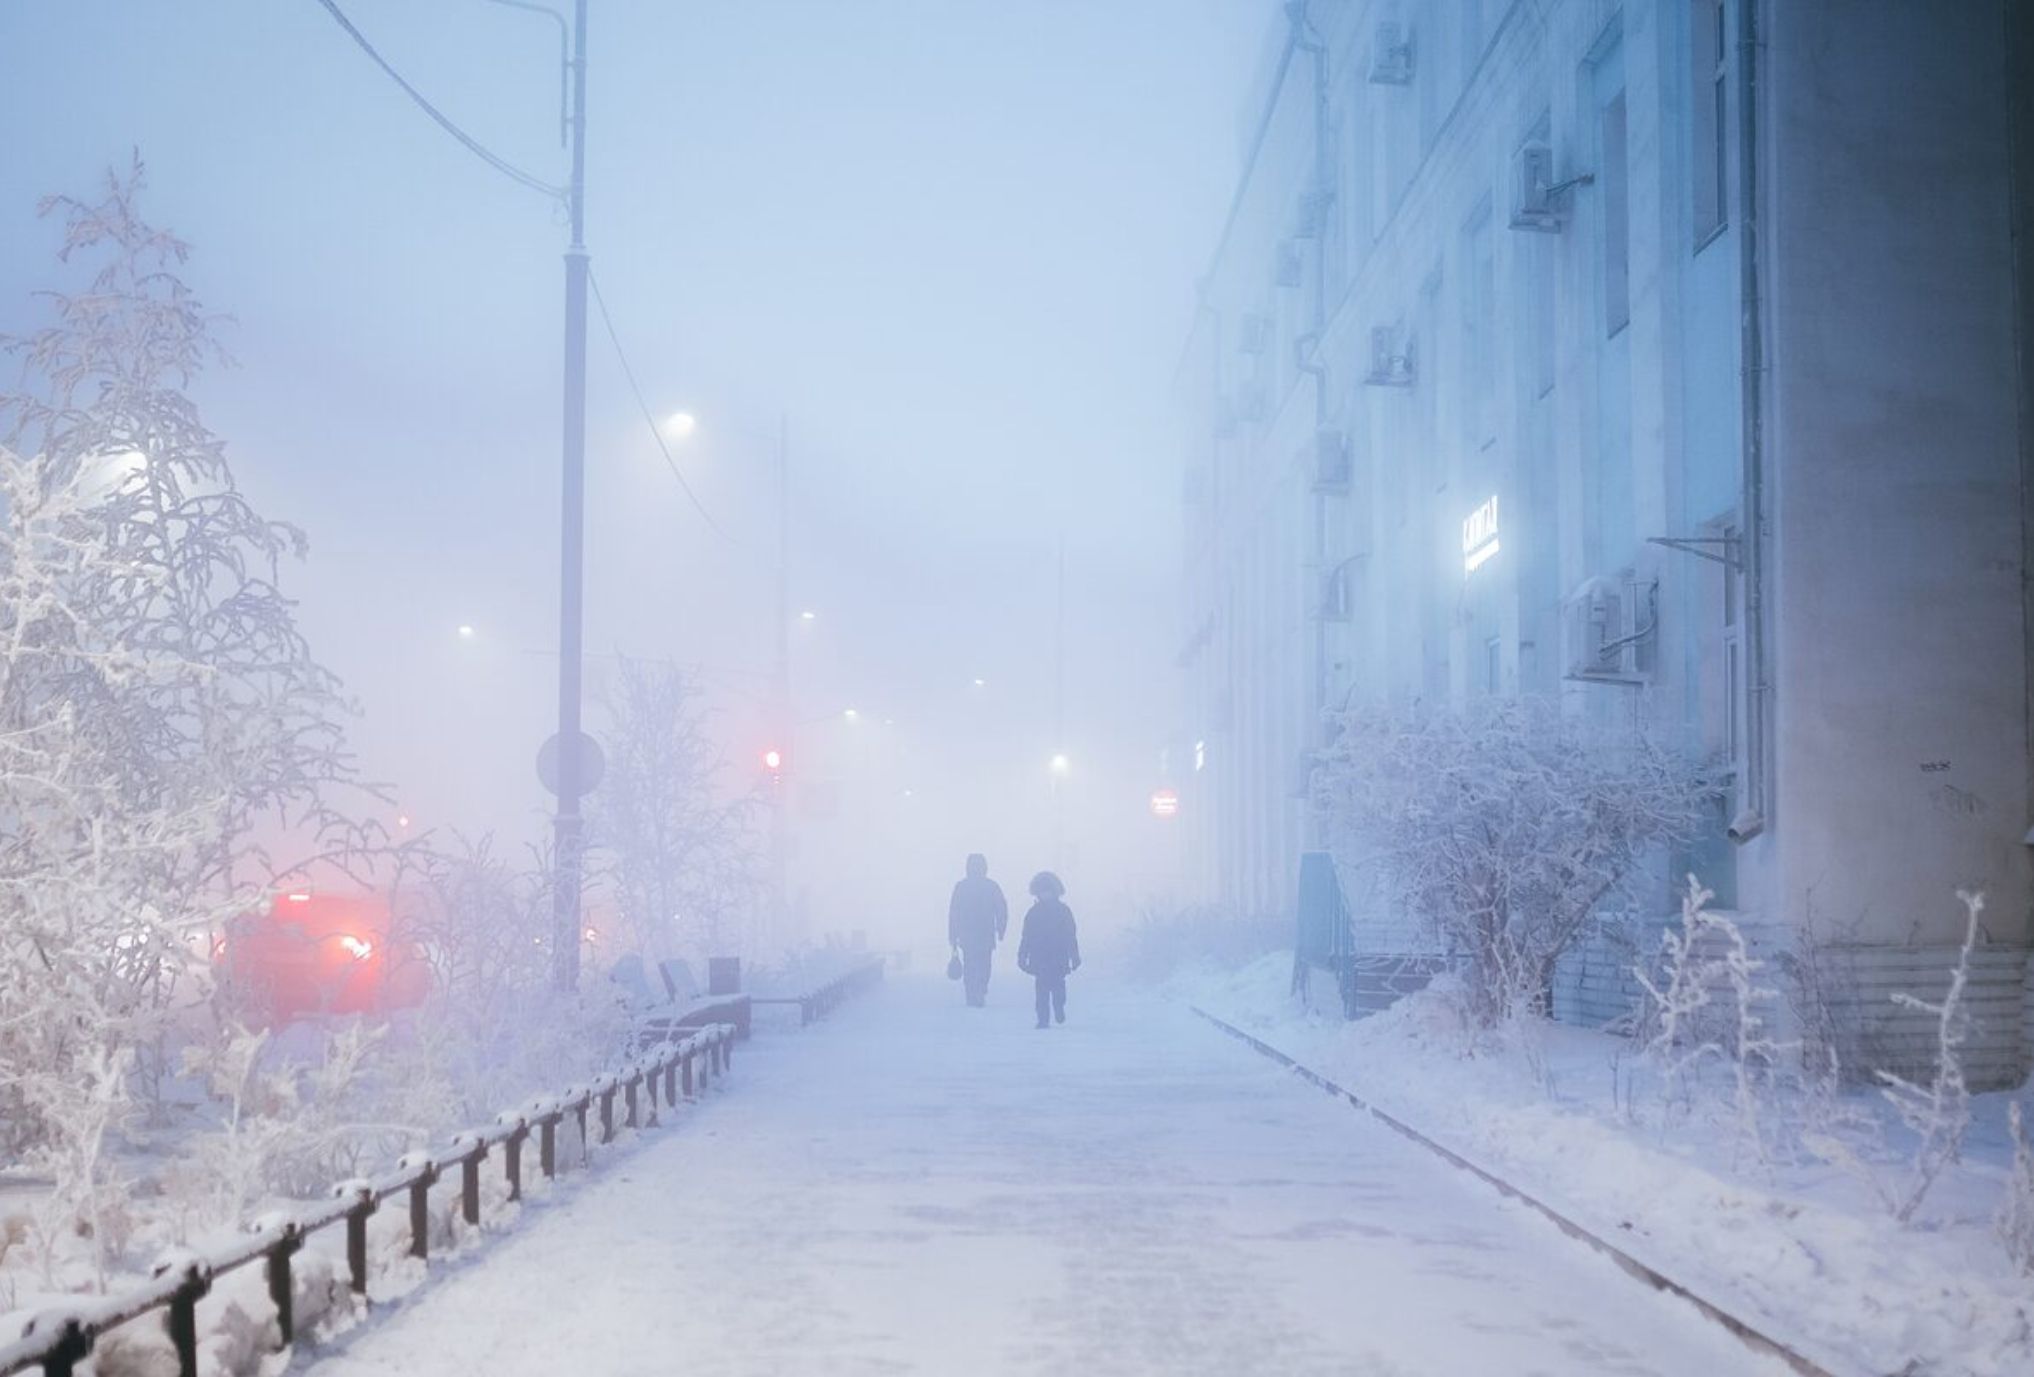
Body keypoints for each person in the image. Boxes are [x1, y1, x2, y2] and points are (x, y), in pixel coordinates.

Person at [1016, 871, 1080, 1029]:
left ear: (1055, 892)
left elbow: (1071, 935)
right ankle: (1043, 1019)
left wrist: (1075, 955)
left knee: (1059, 987)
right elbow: (1026, 937)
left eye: (1048, 891)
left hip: (1059, 957)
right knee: (1041, 991)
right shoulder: (1033, 913)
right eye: (1042, 891)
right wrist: (1022, 956)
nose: (1045, 895)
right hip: (1039, 958)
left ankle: (1059, 1007)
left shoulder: (1064, 911)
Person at [946, 853, 1008, 1007]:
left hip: (967, 934)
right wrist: (1001, 928)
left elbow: (954, 912)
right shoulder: (991, 886)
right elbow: (1001, 909)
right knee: (984, 964)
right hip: (985, 933)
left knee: (970, 964)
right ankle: (980, 989)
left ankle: (972, 992)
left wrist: (953, 935)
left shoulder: (961, 887)